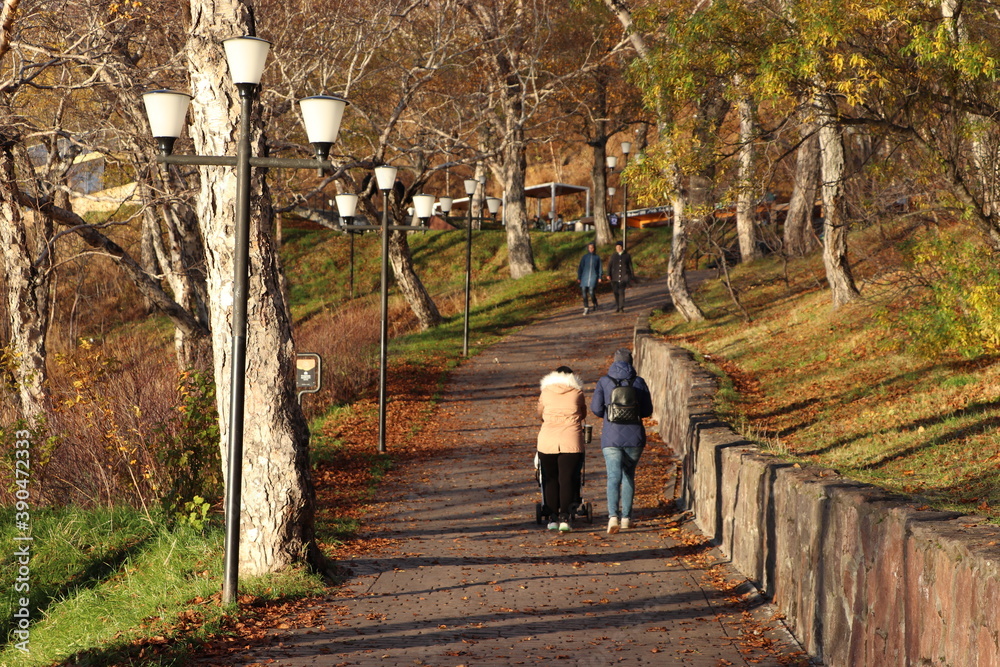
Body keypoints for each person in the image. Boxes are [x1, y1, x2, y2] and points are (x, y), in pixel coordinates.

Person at [591, 348, 653, 534]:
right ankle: (626, 518)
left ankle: (612, 518)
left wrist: (609, 416)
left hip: (611, 436)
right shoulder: (639, 382)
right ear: (631, 362)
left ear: (614, 362)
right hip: (634, 437)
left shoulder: (604, 381)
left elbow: (595, 408)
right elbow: (647, 411)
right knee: (628, 476)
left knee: (613, 476)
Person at [536, 366, 587, 532]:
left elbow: (540, 414)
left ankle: (552, 517)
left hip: (547, 441)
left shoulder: (546, 392)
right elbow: (583, 413)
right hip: (571, 440)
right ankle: (565, 517)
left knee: (550, 479)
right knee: (566, 479)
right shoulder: (577, 393)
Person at [606, 241, 634, 313]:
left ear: (622, 247)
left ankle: (621, 307)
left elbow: (630, 266)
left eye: (619, 247)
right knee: (616, 292)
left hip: (623, 276)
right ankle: (618, 306)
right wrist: (608, 274)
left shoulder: (627, 255)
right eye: (617, 247)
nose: (618, 248)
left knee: (621, 292)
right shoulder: (613, 256)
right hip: (614, 277)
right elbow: (609, 266)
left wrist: (631, 275)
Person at [577, 242, 603, 315]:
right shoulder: (584, 257)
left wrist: (600, 277)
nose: (591, 249)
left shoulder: (597, 257)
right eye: (590, 248)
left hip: (593, 276)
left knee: (591, 292)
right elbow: (580, 268)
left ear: (594, 249)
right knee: (584, 292)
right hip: (584, 277)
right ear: (588, 249)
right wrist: (579, 277)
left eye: (592, 248)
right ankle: (586, 308)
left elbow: (600, 268)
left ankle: (595, 303)